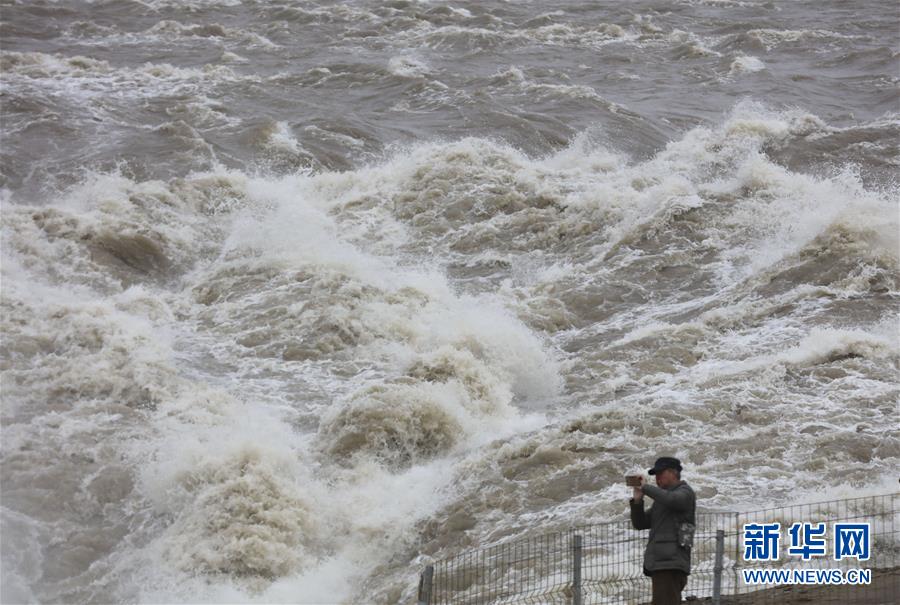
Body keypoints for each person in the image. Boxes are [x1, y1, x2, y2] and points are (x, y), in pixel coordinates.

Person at [629, 456, 697, 605]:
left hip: (670, 563)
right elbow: (640, 523)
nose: (657, 478)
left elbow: (673, 500)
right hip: (662, 563)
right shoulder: (661, 500)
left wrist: (645, 487)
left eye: (660, 473)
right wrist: (638, 501)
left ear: (673, 473)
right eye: (656, 475)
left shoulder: (685, 492)